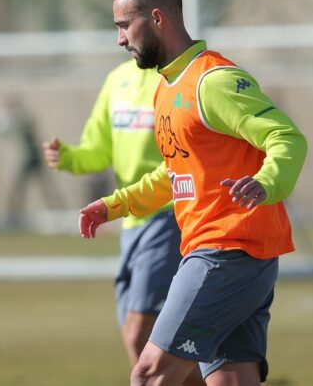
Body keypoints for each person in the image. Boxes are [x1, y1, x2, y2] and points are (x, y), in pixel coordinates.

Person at [78, 0, 308, 386]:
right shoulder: (167, 87)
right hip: (233, 258)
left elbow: (286, 137)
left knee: (149, 373)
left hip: (225, 253)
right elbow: (176, 171)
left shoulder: (212, 81)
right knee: (231, 380)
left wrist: (267, 181)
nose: (120, 39)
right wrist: (116, 205)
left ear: (157, 18)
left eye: (124, 25)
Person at [42, 60, 203, 385]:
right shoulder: (117, 79)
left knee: (138, 332)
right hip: (129, 221)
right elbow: (98, 150)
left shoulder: (177, 80)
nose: (121, 38)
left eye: (126, 31)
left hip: (168, 214)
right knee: (141, 337)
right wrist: (69, 157)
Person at [0, 95, 63, 227]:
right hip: (27, 159)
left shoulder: (23, 118)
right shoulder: (16, 119)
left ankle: (58, 213)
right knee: (20, 189)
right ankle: (13, 216)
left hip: (33, 158)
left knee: (44, 188)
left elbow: (25, 124)